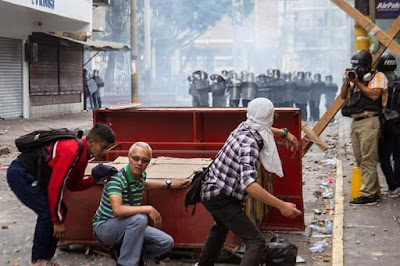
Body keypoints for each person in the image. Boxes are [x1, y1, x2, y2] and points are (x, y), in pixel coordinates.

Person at [198, 97, 302, 265]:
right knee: (256, 242)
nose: (274, 116)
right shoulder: (249, 144)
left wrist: (284, 133)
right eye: (272, 113)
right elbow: (249, 185)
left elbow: (264, 128)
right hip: (220, 197)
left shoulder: (246, 125)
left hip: (212, 189)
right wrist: (282, 206)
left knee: (220, 229)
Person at [6, 123, 117, 265]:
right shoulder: (72, 150)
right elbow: (55, 186)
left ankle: (47, 258)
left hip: (35, 177)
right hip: (21, 175)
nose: (105, 151)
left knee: (60, 211)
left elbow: (73, 185)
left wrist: (94, 178)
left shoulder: (83, 156)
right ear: (91, 142)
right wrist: (57, 221)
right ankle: (38, 259)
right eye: (104, 147)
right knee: (47, 214)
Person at [92, 142, 190, 266]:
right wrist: (148, 208)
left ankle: (124, 252)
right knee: (140, 218)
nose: (139, 163)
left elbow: (144, 184)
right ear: (129, 157)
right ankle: (126, 263)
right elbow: (117, 210)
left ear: (148, 162)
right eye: (136, 158)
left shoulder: (141, 175)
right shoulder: (116, 179)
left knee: (166, 242)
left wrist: (169, 183)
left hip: (128, 225)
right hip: (105, 227)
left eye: (144, 160)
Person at [340, 50, 388, 205]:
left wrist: (358, 83)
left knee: (368, 158)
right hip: (356, 123)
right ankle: (372, 191)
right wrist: (347, 81)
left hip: (369, 121)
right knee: (361, 159)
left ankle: (368, 195)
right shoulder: (354, 79)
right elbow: (342, 96)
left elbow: (374, 95)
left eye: (359, 66)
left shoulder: (377, 77)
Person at [376, 53, 400, 197]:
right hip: (399, 123)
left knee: (384, 156)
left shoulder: (380, 82)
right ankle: (398, 184)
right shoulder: (398, 81)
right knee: (398, 156)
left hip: (386, 124)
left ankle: (392, 186)